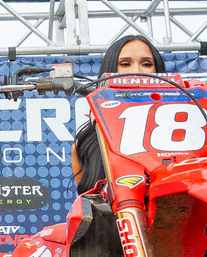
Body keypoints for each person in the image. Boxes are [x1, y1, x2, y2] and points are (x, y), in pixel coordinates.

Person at [70, 32, 166, 190]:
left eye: (147, 64)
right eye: (125, 63)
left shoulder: (184, 130)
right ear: (111, 69)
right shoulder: (86, 145)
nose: (137, 71)